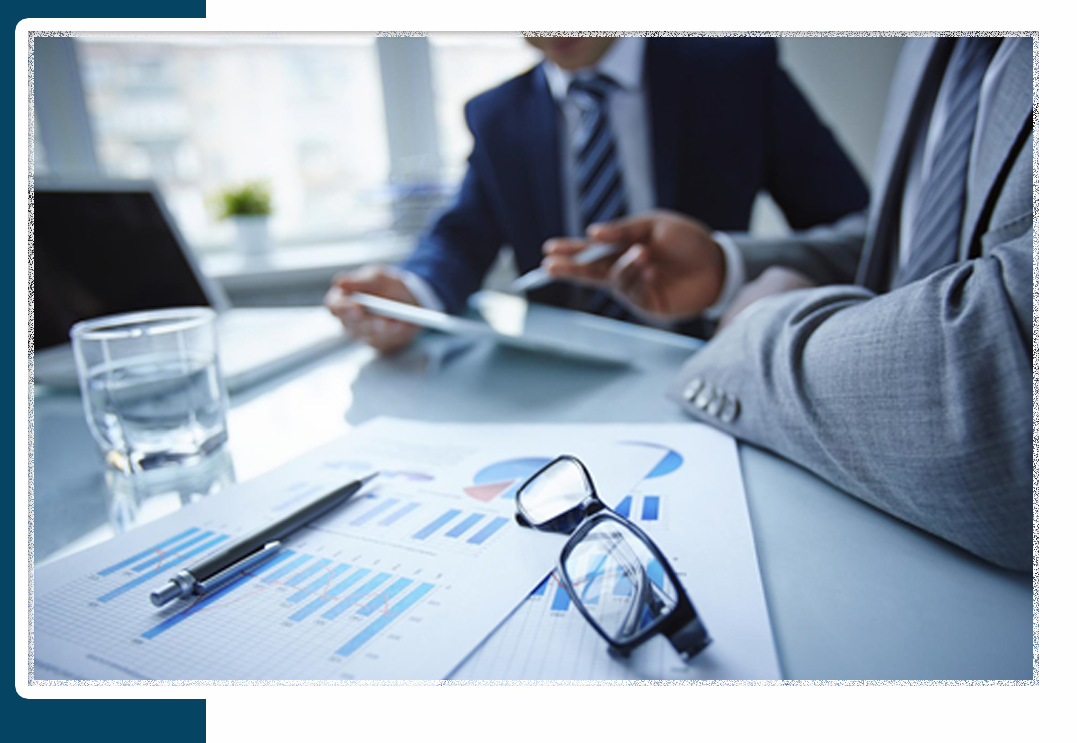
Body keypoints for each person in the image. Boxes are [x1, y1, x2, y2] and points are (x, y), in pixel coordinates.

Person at [544, 35, 1033, 572]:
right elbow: (904, 244)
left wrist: (749, 326)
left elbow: (1006, 387)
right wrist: (727, 267)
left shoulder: (738, 64)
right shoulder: (933, 45)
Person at [326, 35, 869, 351]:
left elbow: (859, 232)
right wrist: (409, 290)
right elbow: (461, 236)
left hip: (713, 356)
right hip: (564, 377)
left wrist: (739, 277)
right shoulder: (498, 115)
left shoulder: (735, 73)